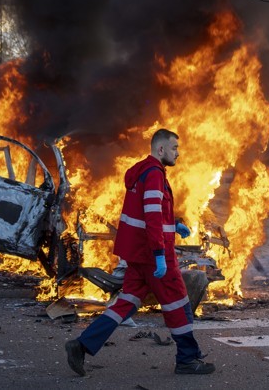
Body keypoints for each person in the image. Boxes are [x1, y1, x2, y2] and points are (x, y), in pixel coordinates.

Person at [65, 129, 215, 376]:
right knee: (179, 304)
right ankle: (188, 359)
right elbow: (152, 216)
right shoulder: (155, 175)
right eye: (175, 147)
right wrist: (159, 254)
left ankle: (82, 345)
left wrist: (173, 224)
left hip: (136, 255)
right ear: (161, 149)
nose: (178, 152)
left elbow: (150, 212)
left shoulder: (142, 171)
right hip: (153, 256)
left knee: (126, 303)